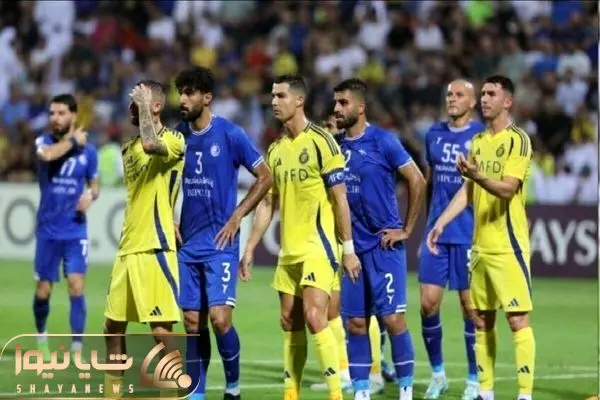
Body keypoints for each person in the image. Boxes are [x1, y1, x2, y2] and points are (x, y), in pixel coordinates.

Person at [241, 74, 361, 400]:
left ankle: (336, 394)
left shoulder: (322, 142)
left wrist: (348, 249)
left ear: (299, 100)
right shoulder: (275, 151)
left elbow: (340, 199)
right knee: (288, 322)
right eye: (272, 96)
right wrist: (249, 246)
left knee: (314, 316)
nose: (273, 102)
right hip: (289, 250)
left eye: (280, 96)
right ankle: (291, 393)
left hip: (318, 247)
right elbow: (268, 203)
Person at [427, 75, 535, 400]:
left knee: (517, 319)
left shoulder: (518, 141)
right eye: (484, 94)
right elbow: (468, 191)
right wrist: (441, 222)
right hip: (480, 248)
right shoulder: (477, 142)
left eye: (491, 94)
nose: (485, 99)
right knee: (481, 320)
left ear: (507, 102)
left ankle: (525, 395)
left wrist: (478, 175)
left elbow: (508, 189)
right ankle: (485, 392)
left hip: (508, 246)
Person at [173, 66, 273, 400]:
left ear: (207, 97)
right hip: (188, 244)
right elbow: (165, 177)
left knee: (219, 319)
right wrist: (169, 217)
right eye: (180, 93)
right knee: (191, 321)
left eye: (189, 93)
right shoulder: (178, 135)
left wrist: (237, 216)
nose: (182, 99)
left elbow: (265, 176)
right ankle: (196, 392)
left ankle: (233, 388)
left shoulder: (230, 134)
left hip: (220, 243)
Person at [333, 78, 426, 400]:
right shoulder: (335, 147)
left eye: (343, 103)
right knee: (356, 323)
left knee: (393, 319)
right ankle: (361, 391)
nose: (336, 108)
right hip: (352, 250)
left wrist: (407, 229)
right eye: (335, 102)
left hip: (384, 247)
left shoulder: (384, 141)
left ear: (360, 107)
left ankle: (405, 389)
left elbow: (417, 180)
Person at [103, 80, 185, 398]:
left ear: (156, 106)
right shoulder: (127, 149)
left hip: (155, 247)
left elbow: (153, 146)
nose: (131, 106)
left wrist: (170, 219)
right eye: (131, 100)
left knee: (161, 332)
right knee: (112, 327)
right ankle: (113, 394)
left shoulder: (174, 139)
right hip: (127, 248)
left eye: (138, 99)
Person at [418, 80, 485, 400]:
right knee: (428, 303)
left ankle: (473, 379)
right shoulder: (433, 134)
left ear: (472, 102)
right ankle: (438, 374)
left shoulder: (482, 137)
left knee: (469, 308)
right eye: (449, 94)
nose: (452, 99)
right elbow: (429, 181)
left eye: (459, 95)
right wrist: (426, 222)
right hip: (436, 232)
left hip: (468, 233)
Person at [33, 94, 99, 361]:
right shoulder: (43, 142)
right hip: (48, 230)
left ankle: (76, 348)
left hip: (75, 230)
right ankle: (41, 337)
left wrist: (90, 196)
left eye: (61, 113)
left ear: (73, 115)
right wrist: (73, 141)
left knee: (76, 285)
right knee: (43, 291)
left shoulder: (89, 152)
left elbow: (95, 185)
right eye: (52, 113)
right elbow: (48, 156)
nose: (55, 118)